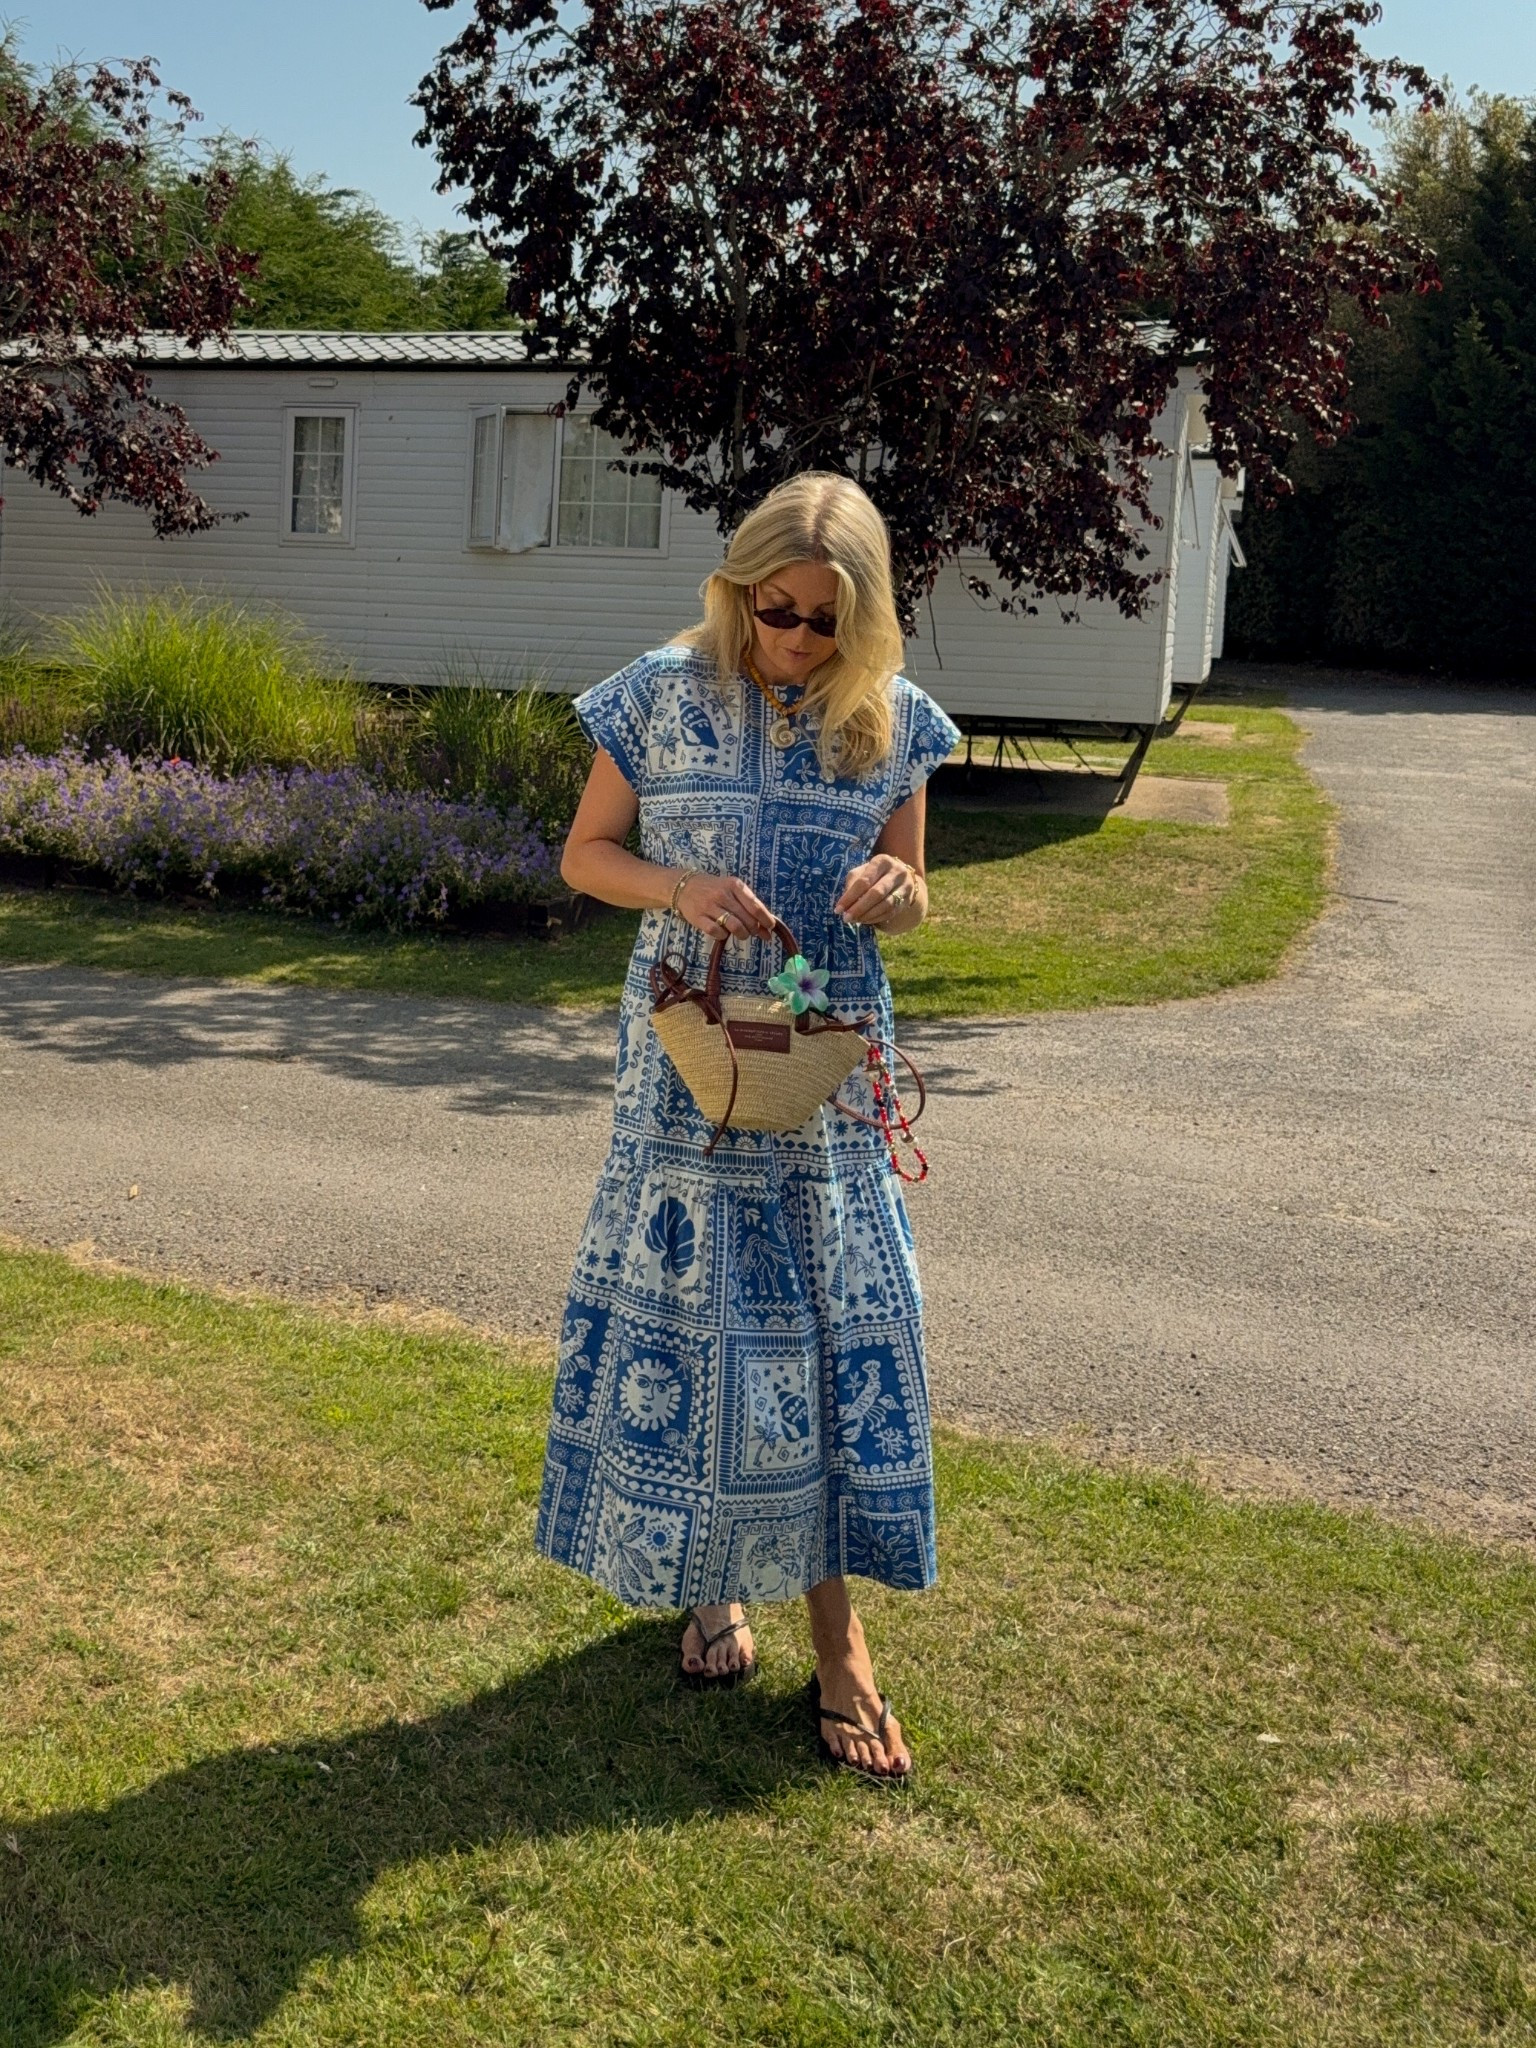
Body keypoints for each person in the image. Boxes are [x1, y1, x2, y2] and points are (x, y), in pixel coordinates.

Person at [536, 472, 959, 1779]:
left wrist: (897, 890)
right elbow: (584, 854)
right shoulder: (662, 694)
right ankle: (713, 1582)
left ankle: (843, 1648)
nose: (790, 635)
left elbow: (915, 891)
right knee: (702, 1332)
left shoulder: (890, 724)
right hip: (688, 1060)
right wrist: (681, 885)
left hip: (826, 1067)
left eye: (822, 620)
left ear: (865, 619)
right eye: (770, 606)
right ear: (737, 589)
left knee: (825, 1337)